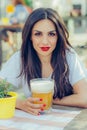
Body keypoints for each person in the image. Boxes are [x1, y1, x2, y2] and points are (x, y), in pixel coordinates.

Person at [0, 8, 87, 116]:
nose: (45, 41)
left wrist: (49, 100)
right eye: (38, 34)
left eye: (51, 34)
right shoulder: (21, 58)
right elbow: (0, 90)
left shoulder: (69, 56)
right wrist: (20, 103)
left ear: (58, 36)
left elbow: (84, 98)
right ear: (30, 36)